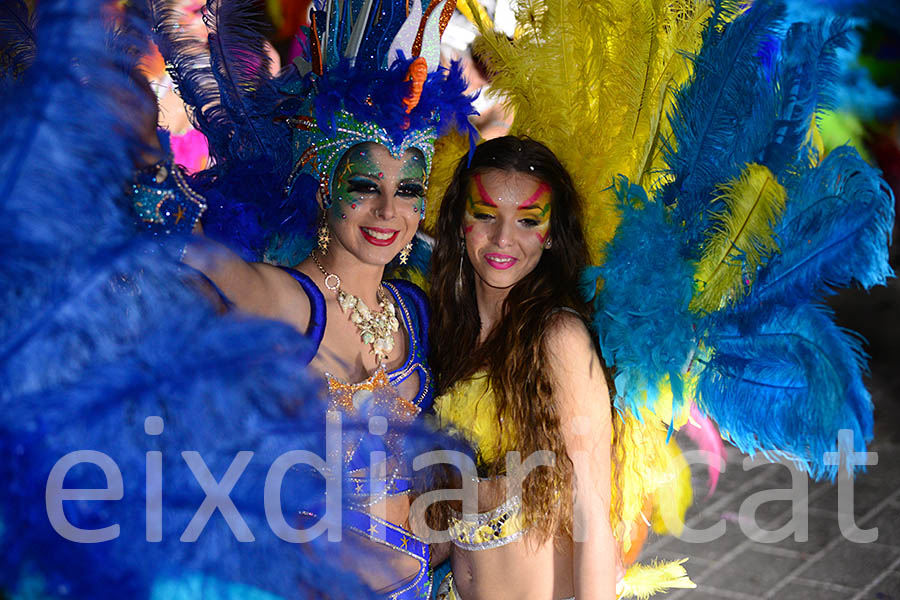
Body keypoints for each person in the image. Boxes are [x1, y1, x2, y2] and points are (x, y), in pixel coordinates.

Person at [130, 0, 476, 596]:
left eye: (408, 189)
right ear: (324, 184)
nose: (388, 211)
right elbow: (214, 266)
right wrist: (143, 170)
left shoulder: (414, 311)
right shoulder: (293, 303)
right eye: (364, 185)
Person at [427, 136, 622, 599]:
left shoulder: (558, 338)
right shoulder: (451, 330)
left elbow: (594, 512)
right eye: (485, 215)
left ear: (552, 233)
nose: (502, 239)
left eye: (528, 221)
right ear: (459, 222)